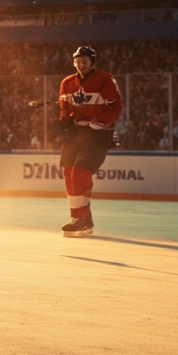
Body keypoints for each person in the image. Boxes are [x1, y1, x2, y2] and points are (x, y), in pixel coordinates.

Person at [57, 46, 121, 237]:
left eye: (85, 61)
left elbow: (115, 106)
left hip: (97, 133)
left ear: (92, 62)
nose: (81, 64)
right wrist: (65, 124)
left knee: (80, 173)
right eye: (78, 61)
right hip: (76, 132)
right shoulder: (67, 82)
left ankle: (80, 219)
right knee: (68, 172)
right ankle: (81, 219)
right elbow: (64, 108)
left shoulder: (105, 79)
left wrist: (100, 122)